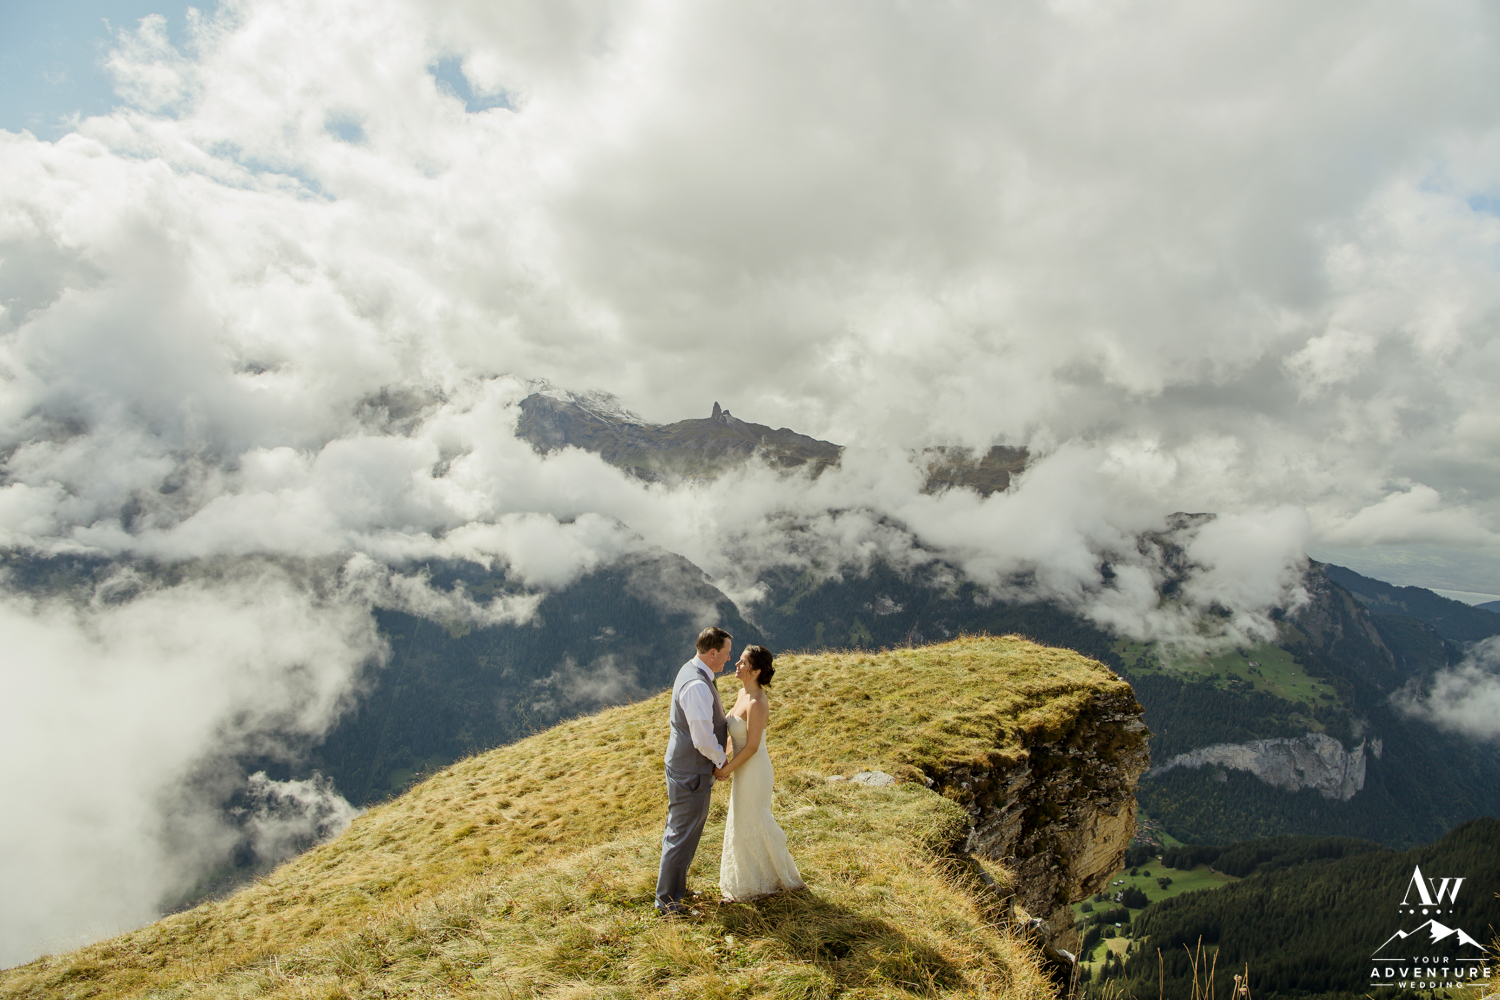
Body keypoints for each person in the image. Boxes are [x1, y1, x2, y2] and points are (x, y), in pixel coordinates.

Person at [715, 644, 804, 901]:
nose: (737, 665)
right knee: (742, 820)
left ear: (755, 671)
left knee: (755, 818)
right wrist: (721, 760)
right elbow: (735, 736)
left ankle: (770, 878)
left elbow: (752, 746)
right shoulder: (743, 694)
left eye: (742, 662)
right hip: (742, 768)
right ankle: (751, 878)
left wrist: (726, 769)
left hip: (753, 770)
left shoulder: (757, 702)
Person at [654, 626, 733, 916]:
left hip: (683, 766)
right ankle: (668, 903)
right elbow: (702, 737)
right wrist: (721, 761)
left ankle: (676, 890)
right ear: (712, 653)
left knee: (682, 831)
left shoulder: (691, 670)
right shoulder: (698, 685)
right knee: (682, 833)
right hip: (691, 772)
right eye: (724, 655)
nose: (727, 660)